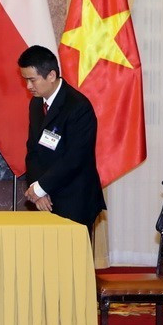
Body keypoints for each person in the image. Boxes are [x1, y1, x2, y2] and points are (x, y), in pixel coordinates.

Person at [18, 45, 105, 230]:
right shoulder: (36, 103)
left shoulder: (78, 107)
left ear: (51, 75)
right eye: (25, 80)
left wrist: (41, 187)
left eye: (32, 80)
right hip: (45, 197)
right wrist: (38, 190)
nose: (28, 86)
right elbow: (33, 150)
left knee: (71, 249)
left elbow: (75, 159)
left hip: (75, 199)